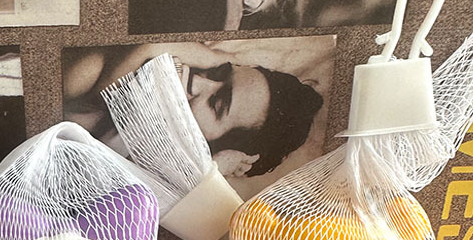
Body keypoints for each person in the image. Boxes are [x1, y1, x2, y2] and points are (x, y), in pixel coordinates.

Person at [63, 42, 323, 178]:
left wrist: (211, 170)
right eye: (216, 72)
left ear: (214, 145)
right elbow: (150, 48)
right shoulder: (90, 73)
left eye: (216, 104)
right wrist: (219, 58)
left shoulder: (146, 169)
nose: (196, 81)